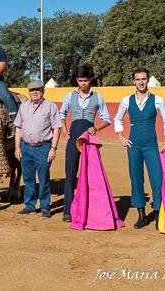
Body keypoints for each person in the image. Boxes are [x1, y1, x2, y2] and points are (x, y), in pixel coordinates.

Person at [114, 68, 165, 229]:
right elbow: (117, 119)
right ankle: (141, 216)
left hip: (151, 145)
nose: (141, 82)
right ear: (133, 81)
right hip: (133, 146)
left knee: (158, 180)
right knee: (136, 179)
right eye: (138, 79)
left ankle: (157, 215)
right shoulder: (126, 100)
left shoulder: (157, 100)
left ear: (147, 81)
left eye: (144, 79)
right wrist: (120, 136)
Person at [59, 65, 111, 223]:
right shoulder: (69, 96)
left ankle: (90, 208)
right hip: (74, 133)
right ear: (76, 80)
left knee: (91, 173)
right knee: (70, 173)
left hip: (89, 136)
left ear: (91, 80)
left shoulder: (98, 97)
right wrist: (65, 130)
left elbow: (106, 119)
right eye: (80, 81)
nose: (83, 84)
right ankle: (67, 210)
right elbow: (61, 113)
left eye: (86, 81)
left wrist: (95, 128)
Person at [14, 80, 62, 218]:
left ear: (43, 91)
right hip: (26, 147)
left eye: (37, 89)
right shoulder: (23, 107)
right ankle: (29, 206)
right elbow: (18, 127)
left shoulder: (50, 106)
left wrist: (53, 148)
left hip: (43, 148)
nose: (34, 92)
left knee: (43, 178)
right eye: (31, 90)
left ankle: (45, 207)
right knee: (28, 179)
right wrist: (17, 147)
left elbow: (56, 128)